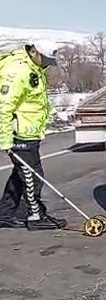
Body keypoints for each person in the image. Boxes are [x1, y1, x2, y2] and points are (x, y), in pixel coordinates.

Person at [0, 42, 67, 230]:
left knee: (21, 174)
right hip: (19, 135)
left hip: (30, 133)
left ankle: (5, 213)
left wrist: (49, 112)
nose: (47, 63)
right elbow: (4, 108)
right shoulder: (18, 72)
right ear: (33, 50)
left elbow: (33, 100)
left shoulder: (34, 67)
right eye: (44, 58)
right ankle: (35, 216)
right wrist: (5, 141)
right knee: (33, 176)